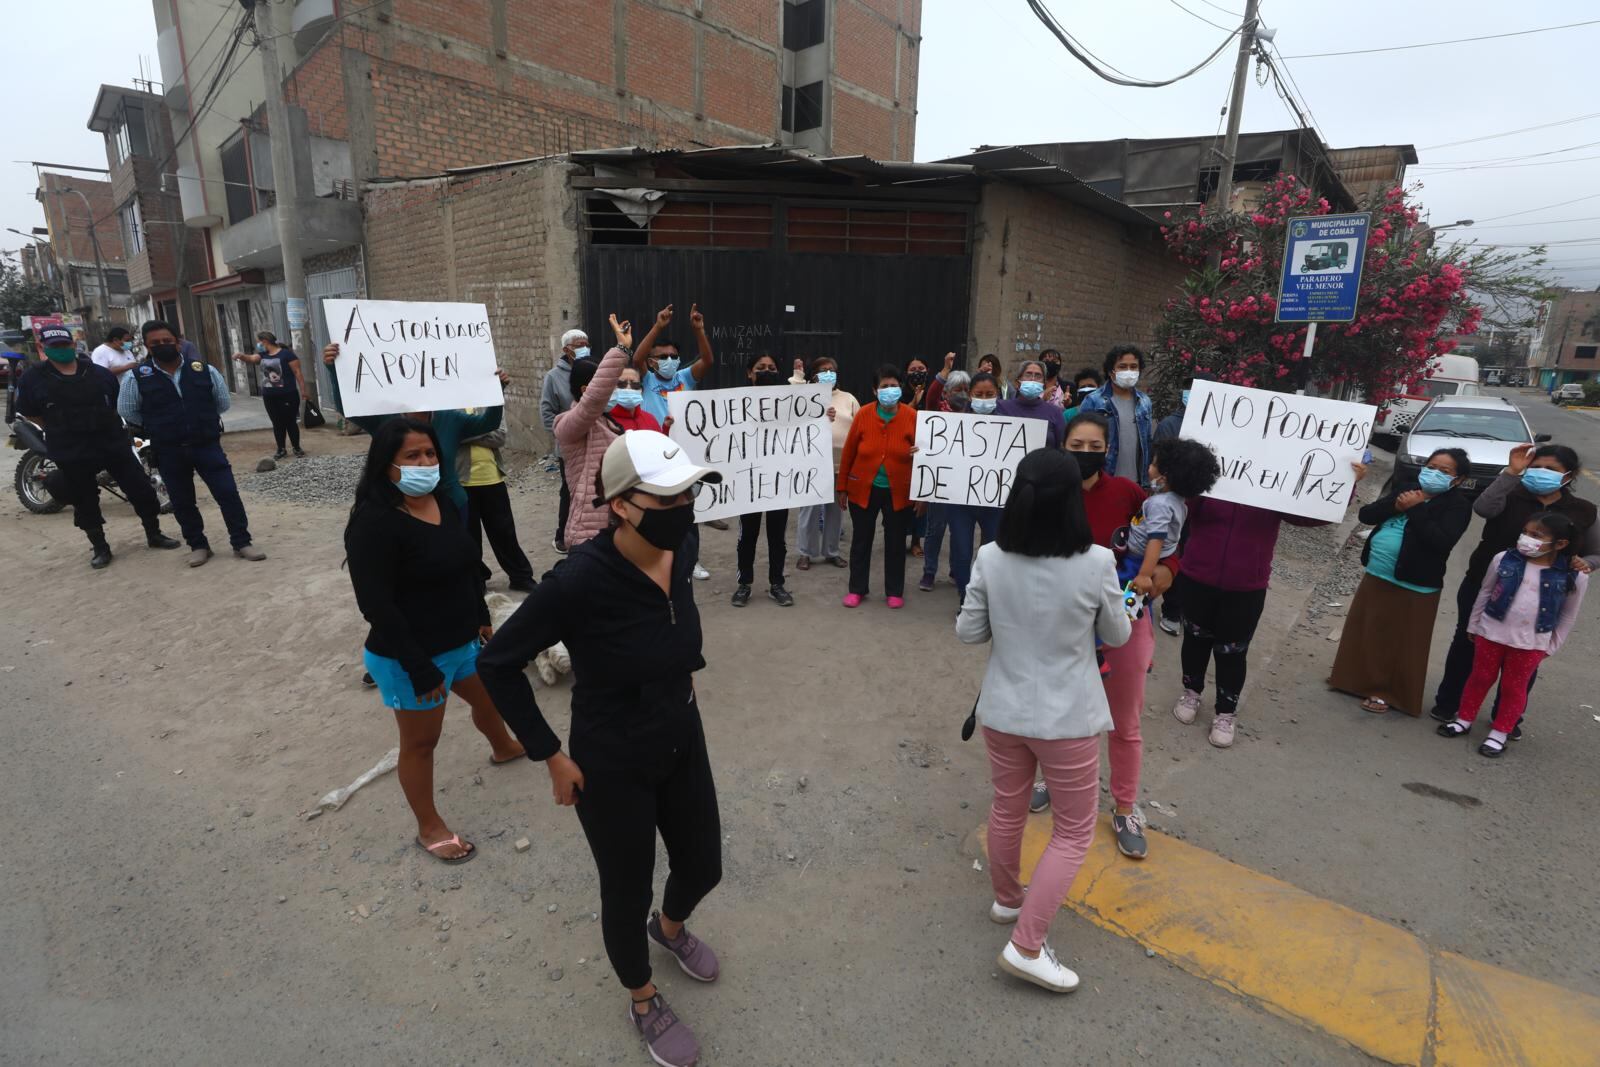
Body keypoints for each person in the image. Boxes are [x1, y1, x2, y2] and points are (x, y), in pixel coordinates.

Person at [477, 430, 726, 1067]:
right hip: (611, 759)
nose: (682, 511)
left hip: (681, 733)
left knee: (703, 866)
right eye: (665, 500)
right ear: (619, 504)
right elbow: (499, 663)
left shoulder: (685, 541)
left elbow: (674, 623)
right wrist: (549, 755)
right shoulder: (578, 582)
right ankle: (642, 997)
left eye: (688, 495)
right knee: (626, 886)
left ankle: (666, 932)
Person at [957, 447, 1131, 994]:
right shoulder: (1098, 562)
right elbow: (1119, 635)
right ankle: (1027, 945)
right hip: (1068, 718)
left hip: (1003, 712)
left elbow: (968, 632)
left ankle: (1009, 900)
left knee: (1007, 806)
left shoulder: (990, 557)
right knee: (1074, 831)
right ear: (1073, 501)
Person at [344, 418, 526, 864]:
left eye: (429, 454)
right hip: (410, 657)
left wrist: (481, 615)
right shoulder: (373, 523)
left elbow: (467, 564)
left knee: (487, 702)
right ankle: (429, 827)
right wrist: (420, 666)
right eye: (412, 456)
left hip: (461, 641)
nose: (425, 462)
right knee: (422, 744)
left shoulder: (442, 500)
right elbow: (377, 606)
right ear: (386, 465)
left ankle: (503, 748)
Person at [1170, 460, 1368, 748]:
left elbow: (1307, 517)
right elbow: (1183, 503)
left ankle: (1226, 712)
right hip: (1197, 575)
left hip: (1247, 585)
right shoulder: (1209, 472)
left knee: (1233, 651)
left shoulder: (1273, 477)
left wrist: (1345, 486)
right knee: (1195, 639)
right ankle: (1191, 692)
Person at [1038, 412, 1162, 854]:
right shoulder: (1048, 492)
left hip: (1123, 625)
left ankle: (1125, 807)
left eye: (1096, 447)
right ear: (1062, 445)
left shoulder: (1130, 494)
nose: (1086, 454)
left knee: (1123, 724)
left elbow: (1164, 545)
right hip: (1062, 627)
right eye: (1078, 445)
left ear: (1108, 450)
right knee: (1058, 714)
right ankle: (1053, 780)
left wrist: (1163, 574)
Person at [1429, 444, 1598, 734]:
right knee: (1467, 645)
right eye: (1537, 467)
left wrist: (1588, 563)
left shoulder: (1582, 510)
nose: (1541, 473)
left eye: (1551, 470)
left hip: (1541, 598)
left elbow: (1595, 552)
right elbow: (1483, 508)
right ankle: (1450, 704)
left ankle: (1505, 720)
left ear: (1568, 476)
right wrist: (1511, 472)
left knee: (1522, 662)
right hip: (1486, 583)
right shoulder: (1510, 492)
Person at [14, 323, 180, 568]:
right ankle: (100, 547)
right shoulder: (33, 378)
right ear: (43, 347)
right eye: (55, 346)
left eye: (65, 345)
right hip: (71, 448)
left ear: (73, 344)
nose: (62, 349)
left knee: (141, 489)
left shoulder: (98, 373)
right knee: (85, 500)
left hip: (110, 442)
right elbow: (31, 413)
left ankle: (154, 534)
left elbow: (114, 403)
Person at [1327, 448, 1473, 716]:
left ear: (1458, 480)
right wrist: (1395, 505)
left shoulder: (1458, 506)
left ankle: (1386, 693)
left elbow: (1440, 542)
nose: (1434, 473)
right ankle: (1352, 680)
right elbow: (1367, 515)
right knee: (1366, 630)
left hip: (1415, 583)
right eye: (1431, 466)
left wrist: (1416, 510)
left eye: (1444, 471)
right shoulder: (1407, 488)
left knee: (1400, 642)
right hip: (1378, 572)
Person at [1438, 512, 1588, 757]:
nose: (1527, 539)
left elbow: (1568, 615)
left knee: (1514, 687)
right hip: (1490, 632)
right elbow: (1485, 593)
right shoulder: (1503, 559)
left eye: (1536, 536)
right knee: (1479, 677)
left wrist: (1551, 646)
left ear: (1560, 544)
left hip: (1531, 643)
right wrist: (1473, 625)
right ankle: (1464, 719)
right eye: (1526, 533)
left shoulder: (1575, 576)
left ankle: (1500, 732)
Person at [119, 319, 266, 568]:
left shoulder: (204, 370)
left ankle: (242, 542)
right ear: (147, 346)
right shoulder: (136, 378)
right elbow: (129, 411)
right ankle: (198, 545)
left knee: (228, 494)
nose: (162, 346)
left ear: (178, 342)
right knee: (183, 501)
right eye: (155, 343)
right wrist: (161, 423)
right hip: (169, 450)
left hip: (206, 445)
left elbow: (222, 403)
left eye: (167, 341)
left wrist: (199, 418)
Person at [320, 343, 508, 516]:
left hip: (451, 506)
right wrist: (335, 370)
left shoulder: (450, 418)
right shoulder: (384, 419)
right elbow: (347, 408)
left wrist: (496, 392)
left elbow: (488, 424)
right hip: (398, 509)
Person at [837, 364, 918, 608]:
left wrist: (919, 453)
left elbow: (926, 455)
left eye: (894, 386)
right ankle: (857, 589)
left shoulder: (912, 417)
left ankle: (894, 591)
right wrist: (842, 487)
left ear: (901, 388)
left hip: (899, 490)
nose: (890, 391)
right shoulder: (862, 414)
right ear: (875, 390)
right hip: (863, 488)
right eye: (884, 387)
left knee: (895, 542)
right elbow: (849, 451)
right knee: (861, 540)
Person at [1114, 437, 1220, 595]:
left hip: (1138, 563)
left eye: (1154, 464)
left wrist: (1144, 575)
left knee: (1121, 595)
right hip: (1154, 561)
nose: (1149, 467)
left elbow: (1156, 539)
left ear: (1164, 477)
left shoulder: (1160, 504)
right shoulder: (1179, 503)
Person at [731, 353, 795, 607]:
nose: (767, 371)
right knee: (747, 535)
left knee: (777, 536)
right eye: (761, 368)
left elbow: (807, 429)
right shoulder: (734, 405)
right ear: (750, 373)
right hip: (748, 481)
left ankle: (776, 583)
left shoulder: (790, 404)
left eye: (772, 367)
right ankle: (744, 584)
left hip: (779, 480)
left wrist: (823, 417)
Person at [943, 371, 1007, 602]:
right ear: (970, 395)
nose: (984, 398)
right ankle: (965, 597)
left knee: (993, 553)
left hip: (995, 500)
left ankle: (986, 598)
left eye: (989, 394)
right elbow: (940, 455)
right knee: (961, 552)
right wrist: (924, 453)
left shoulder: (1011, 425)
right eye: (979, 394)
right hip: (961, 501)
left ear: (998, 394)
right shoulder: (953, 425)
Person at [789, 355, 857, 571]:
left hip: (839, 465)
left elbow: (858, 428)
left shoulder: (848, 398)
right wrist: (798, 377)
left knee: (835, 511)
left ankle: (831, 551)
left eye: (832, 369)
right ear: (814, 375)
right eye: (823, 369)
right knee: (808, 510)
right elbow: (793, 408)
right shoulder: (808, 396)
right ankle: (805, 553)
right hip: (812, 463)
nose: (828, 372)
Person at [457, 418, 537, 594]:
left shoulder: (489, 402)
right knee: (470, 537)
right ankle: (477, 580)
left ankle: (520, 577)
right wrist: (482, 431)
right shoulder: (451, 404)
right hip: (461, 482)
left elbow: (500, 437)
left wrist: (465, 432)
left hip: (492, 478)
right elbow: (449, 433)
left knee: (505, 532)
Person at [918, 363, 971, 591]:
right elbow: (931, 394)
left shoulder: (976, 415)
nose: (961, 394)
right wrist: (945, 371)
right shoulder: (937, 411)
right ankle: (929, 572)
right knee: (935, 529)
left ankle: (955, 571)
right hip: (939, 482)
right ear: (947, 393)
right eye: (956, 389)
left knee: (960, 531)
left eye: (965, 389)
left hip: (965, 483)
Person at [1078, 345, 1153, 488]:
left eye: (1133, 367)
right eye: (1123, 366)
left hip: (1136, 483)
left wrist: (1146, 482)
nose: (1129, 371)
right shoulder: (1094, 400)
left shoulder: (1144, 402)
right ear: (1111, 371)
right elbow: (1083, 441)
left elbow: (1147, 443)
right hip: (1104, 480)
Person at [541, 327, 587, 555]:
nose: (584, 349)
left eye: (586, 344)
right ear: (566, 350)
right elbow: (547, 412)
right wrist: (565, 433)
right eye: (579, 346)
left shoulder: (592, 370)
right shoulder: (553, 377)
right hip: (569, 448)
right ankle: (563, 536)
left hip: (593, 443)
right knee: (569, 492)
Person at [232, 331, 308, 459]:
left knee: (290, 422)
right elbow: (250, 358)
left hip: (287, 394)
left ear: (265, 341)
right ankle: (281, 449)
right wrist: (240, 356)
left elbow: (297, 372)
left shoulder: (287, 355)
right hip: (269, 396)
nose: (258, 345)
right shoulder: (263, 355)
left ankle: (297, 447)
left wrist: (303, 391)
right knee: (277, 423)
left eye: (259, 342)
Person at [635, 303, 713, 426]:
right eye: (663, 357)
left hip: (682, 441)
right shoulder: (647, 379)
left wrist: (699, 330)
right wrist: (658, 326)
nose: (669, 359)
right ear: (650, 362)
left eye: (674, 356)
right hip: (656, 441)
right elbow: (637, 359)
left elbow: (707, 361)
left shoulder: (685, 377)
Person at [996, 359, 1066, 450]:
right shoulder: (1001, 407)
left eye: (1038, 376)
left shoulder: (1055, 412)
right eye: (1028, 374)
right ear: (1017, 383)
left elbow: (1060, 447)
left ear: (1043, 385)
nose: (1033, 379)